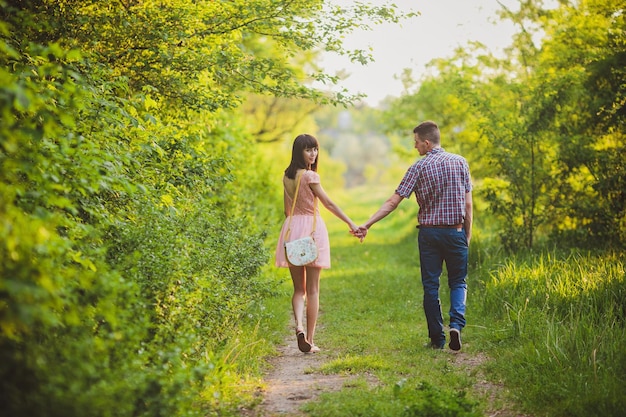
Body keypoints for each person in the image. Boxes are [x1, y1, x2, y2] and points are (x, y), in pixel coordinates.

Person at [357, 121, 472, 351]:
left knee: (431, 286)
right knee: (458, 281)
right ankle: (456, 325)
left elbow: (393, 202)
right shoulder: (461, 163)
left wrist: (367, 224)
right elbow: (468, 205)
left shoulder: (418, 168)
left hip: (429, 234)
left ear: (427, 143)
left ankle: (437, 339)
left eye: (416, 142)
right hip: (455, 231)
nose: (415, 147)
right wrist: (466, 234)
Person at [276, 133, 361, 353]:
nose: (313, 153)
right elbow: (328, 203)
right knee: (312, 289)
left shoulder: (287, 176)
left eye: (315, 149)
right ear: (299, 152)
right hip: (312, 230)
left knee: (298, 289)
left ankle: (298, 326)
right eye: (308, 150)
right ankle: (310, 340)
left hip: (292, 228)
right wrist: (351, 223)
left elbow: (287, 209)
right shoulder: (311, 177)